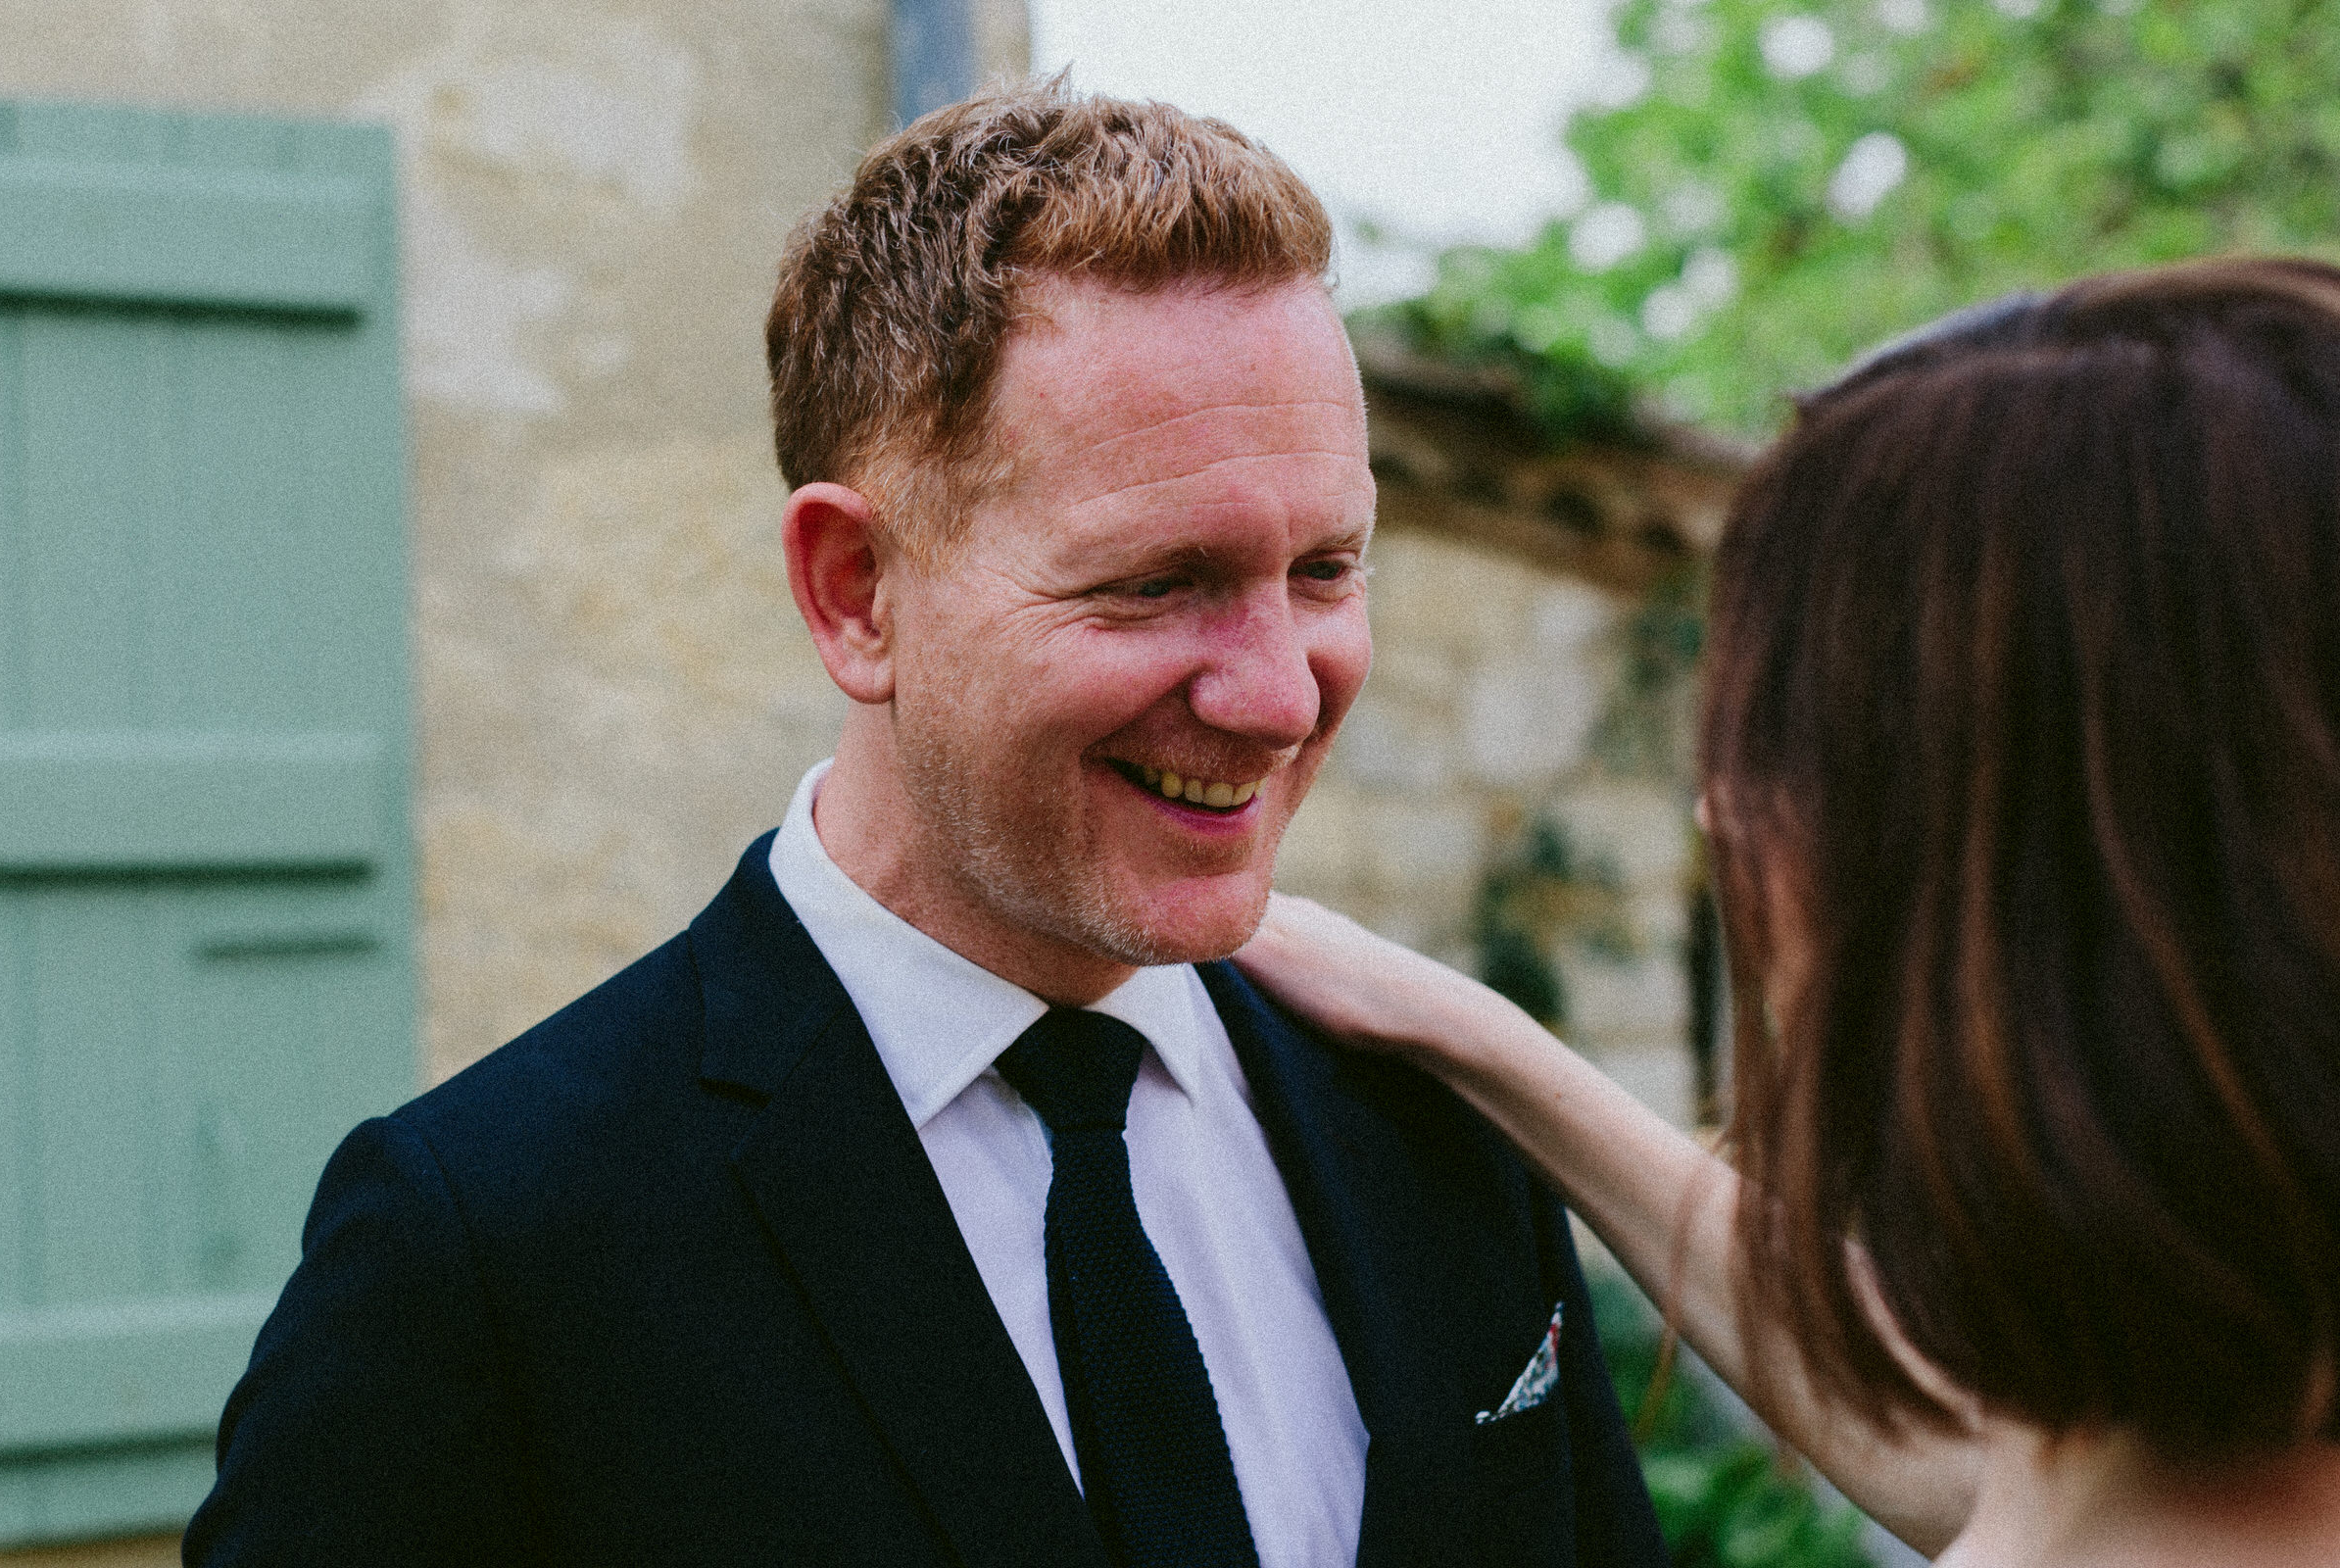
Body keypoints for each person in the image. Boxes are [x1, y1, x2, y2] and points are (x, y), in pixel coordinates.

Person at [183, 81, 1670, 1568]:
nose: (1282, 696)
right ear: (856, 591)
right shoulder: (484, 1250)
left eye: (1328, 568)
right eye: (1157, 581)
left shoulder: (1432, 1127)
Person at [1238, 256, 2340, 1567]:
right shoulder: (2210, 1444)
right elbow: (1989, 1458)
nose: (1726, 819)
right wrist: (1476, 1039)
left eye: (1792, 740)